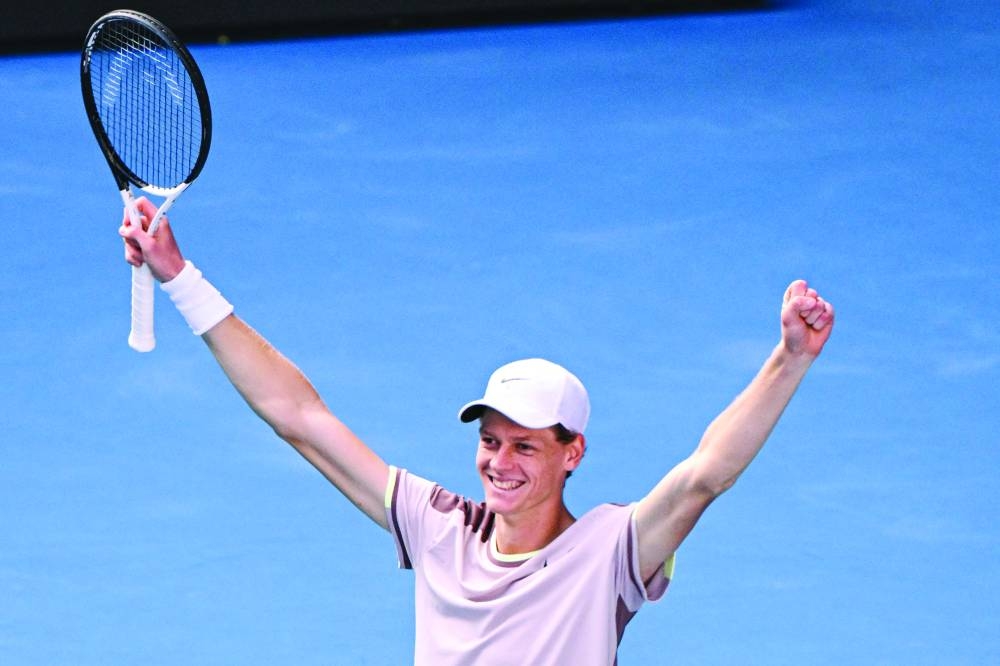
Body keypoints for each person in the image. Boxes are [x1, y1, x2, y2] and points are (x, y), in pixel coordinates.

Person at [119, 197, 835, 665]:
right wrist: (181, 277)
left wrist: (788, 359)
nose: (499, 462)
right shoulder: (437, 528)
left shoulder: (609, 551)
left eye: (526, 445)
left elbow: (707, 474)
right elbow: (300, 418)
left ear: (571, 453)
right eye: (491, 441)